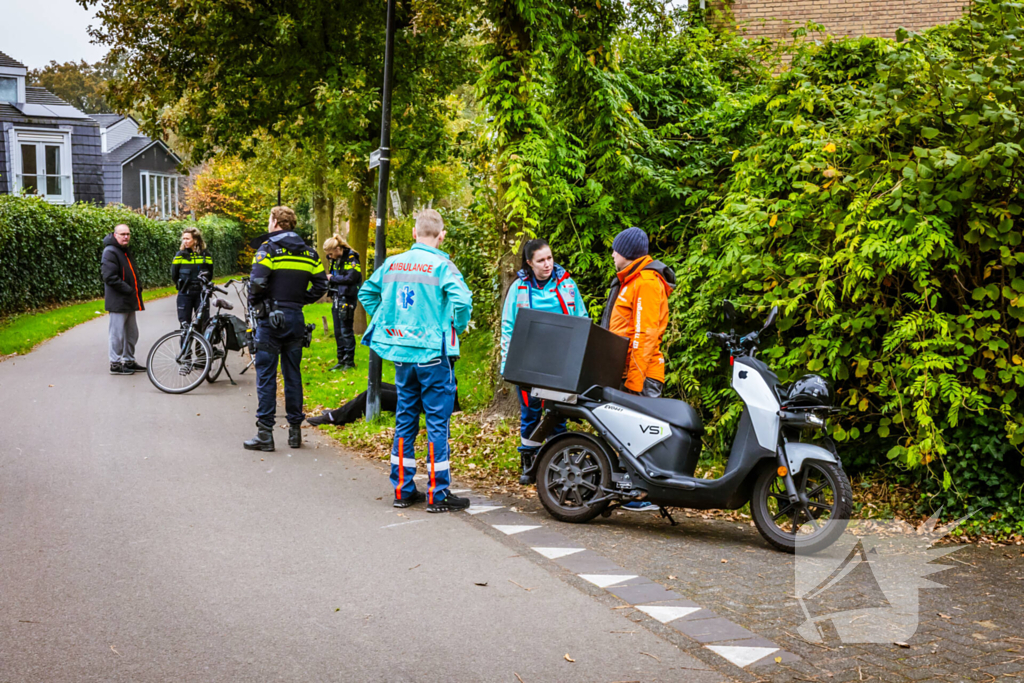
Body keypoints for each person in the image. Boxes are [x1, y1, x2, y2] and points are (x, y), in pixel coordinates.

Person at [358, 209, 473, 512]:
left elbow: (367, 293)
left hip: (401, 353)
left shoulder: (393, 264)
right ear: (441, 235)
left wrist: (387, 320)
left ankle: (402, 489)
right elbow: (462, 301)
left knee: (405, 418)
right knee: (437, 422)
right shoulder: (442, 265)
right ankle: (438, 494)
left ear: (413, 233)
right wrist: (454, 328)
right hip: (433, 353)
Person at [500, 238, 588, 476]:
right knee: (531, 413)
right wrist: (507, 363)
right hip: (529, 361)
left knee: (559, 413)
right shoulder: (518, 288)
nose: (547, 264)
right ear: (530, 263)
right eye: (541, 260)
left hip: (561, 362)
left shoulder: (567, 284)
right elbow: (508, 326)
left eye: (550, 258)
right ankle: (529, 461)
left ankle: (558, 464)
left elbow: (581, 319)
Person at [243, 206, 328, 452]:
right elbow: (322, 284)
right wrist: (301, 300)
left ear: (275, 222)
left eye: (269, 219)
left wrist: (258, 305)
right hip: (295, 320)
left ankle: (265, 435)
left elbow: (257, 282)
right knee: (293, 375)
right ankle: (294, 433)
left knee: (267, 376)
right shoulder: (309, 254)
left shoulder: (267, 249)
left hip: (270, 320)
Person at [600, 226, 675, 399]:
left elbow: (645, 334)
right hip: (626, 373)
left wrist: (634, 382)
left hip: (642, 378)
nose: (612, 255)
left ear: (626, 253)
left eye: (615, 251)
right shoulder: (630, 281)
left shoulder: (646, 282)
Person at [305, 382, 462, 427]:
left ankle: (334, 417)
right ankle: (341, 412)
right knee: (376, 386)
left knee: (372, 394)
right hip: (420, 393)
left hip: (424, 401)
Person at [101, 223, 146, 375]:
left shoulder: (125, 251)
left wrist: (136, 289)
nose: (126, 237)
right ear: (115, 235)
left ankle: (129, 361)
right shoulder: (110, 252)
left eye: (128, 234)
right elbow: (109, 277)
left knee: (132, 333)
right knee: (117, 334)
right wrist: (129, 290)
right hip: (118, 301)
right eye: (122, 234)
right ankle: (115, 363)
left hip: (129, 301)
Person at [323, 233, 361, 370]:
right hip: (337, 297)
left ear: (338, 249)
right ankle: (341, 359)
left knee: (346, 330)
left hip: (347, 297)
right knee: (338, 331)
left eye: (331, 254)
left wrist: (332, 279)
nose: (330, 257)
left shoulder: (352, 258)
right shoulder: (335, 259)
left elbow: (352, 278)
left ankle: (349, 361)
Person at [171, 227, 214, 332]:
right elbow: (174, 274)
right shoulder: (180, 255)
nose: (185, 241)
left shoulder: (205, 255)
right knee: (185, 324)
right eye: (184, 239)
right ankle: (186, 348)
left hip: (201, 293)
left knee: (203, 324)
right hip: (185, 293)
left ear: (195, 240)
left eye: (188, 239)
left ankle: (201, 348)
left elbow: (210, 273)